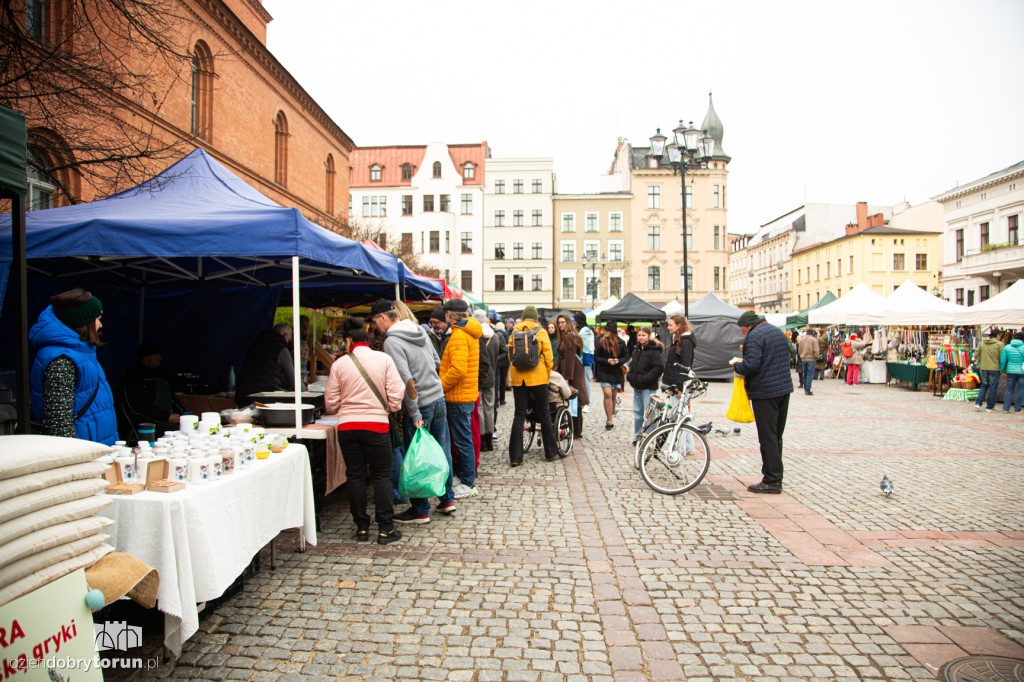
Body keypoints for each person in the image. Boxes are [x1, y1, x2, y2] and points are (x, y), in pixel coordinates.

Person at [370, 300, 456, 524]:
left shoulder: (392, 341)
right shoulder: (419, 330)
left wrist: (415, 413)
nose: (375, 327)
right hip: (438, 396)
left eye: (375, 322)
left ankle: (420, 509)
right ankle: (447, 499)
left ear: (383, 317)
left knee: (417, 456)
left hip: (421, 403)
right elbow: (436, 360)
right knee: (441, 450)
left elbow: (405, 379)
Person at [325, 316, 405, 545]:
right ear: (366, 339)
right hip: (377, 425)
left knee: (355, 475)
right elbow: (397, 393)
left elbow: (331, 403)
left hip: (348, 426)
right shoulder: (384, 359)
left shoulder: (339, 364)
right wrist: (388, 407)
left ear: (348, 341)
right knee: (382, 475)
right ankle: (385, 528)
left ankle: (361, 527)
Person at [29, 288, 117, 445]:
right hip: (82, 452)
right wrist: (76, 456)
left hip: (94, 447)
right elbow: (59, 424)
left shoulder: (81, 353)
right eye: (97, 319)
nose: (100, 324)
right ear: (83, 322)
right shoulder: (62, 360)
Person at [731, 311, 794, 494]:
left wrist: (737, 365)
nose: (742, 332)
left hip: (765, 392)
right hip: (783, 389)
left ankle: (771, 480)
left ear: (748, 325)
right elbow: (791, 353)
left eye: (742, 329)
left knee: (767, 437)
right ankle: (776, 476)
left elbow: (751, 365)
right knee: (776, 436)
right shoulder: (777, 331)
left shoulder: (754, 336)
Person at [439, 299, 482, 498]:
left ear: (449, 314)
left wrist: (439, 386)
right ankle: (466, 479)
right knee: (464, 440)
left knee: (463, 441)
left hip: (458, 396)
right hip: (465, 394)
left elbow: (457, 369)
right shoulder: (469, 332)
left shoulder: (459, 335)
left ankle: (467, 483)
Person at [507, 305, 558, 463]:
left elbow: (511, 356)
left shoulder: (514, 332)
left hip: (519, 379)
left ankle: (515, 457)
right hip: (538, 377)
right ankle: (550, 452)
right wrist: (546, 375)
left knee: (519, 415)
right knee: (544, 414)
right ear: (535, 318)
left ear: (523, 317)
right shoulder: (541, 332)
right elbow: (549, 358)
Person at [119, 342, 183, 438]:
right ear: (147, 358)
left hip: (166, 419)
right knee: (178, 431)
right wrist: (166, 417)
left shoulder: (160, 374)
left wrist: (182, 412)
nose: (160, 358)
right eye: (157, 355)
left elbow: (171, 399)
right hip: (148, 424)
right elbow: (139, 407)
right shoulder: (134, 379)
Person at [235, 323, 295, 407]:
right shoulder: (281, 348)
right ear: (285, 336)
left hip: (242, 395)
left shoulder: (255, 344)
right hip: (263, 397)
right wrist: (305, 388)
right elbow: (294, 381)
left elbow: (264, 371)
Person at [662, 314, 697, 454]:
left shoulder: (685, 341)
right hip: (675, 381)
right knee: (683, 416)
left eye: (670, 325)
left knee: (678, 417)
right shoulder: (678, 339)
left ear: (679, 326)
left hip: (679, 384)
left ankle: (679, 449)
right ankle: (688, 447)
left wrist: (680, 386)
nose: (668, 327)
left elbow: (686, 364)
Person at [626, 326, 664, 444]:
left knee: (649, 413)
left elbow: (658, 368)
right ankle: (638, 435)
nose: (641, 337)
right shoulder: (637, 349)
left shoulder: (654, 350)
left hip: (648, 386)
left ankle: (649, 437)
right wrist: (630, 376)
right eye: (639, 335)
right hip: (637, 386)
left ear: (649, 336)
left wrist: (645, 378)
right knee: (638, 412)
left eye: (643, 335)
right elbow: (632, 365)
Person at [553, 313, 588, 439]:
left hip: (572, 371)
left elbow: (570, 358)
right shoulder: (567, 335)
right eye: (559, 323)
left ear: (568, 322)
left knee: (574, 401)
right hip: (570, 370)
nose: (560, 325)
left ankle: (576, 431)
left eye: (562, 322)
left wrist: (567, 377)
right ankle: (576, 430)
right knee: (574, 401)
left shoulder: (569, 337)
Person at [473, 309, 501, 452]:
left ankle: (482, 439)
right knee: (489, 408)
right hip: (490, 376)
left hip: (477, 376)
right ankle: (490, 439)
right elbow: (497, 356)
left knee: (479, 408)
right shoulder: (495, 337)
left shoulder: (475, 336)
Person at [594, 320, 627, 430]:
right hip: (604, 371)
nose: (605, 331)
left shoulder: (621, 343)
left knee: (613, 395)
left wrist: (618, 361)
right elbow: (596, 357)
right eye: (605, 330)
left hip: (616, 371)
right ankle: (609, 420)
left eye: (607, 330)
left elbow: (626, 356)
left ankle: (610, 415)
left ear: (612, 331)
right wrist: (607, 361)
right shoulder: (601, 342)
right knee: (607, 393)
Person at [974, 329, 1005, 412]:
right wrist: (1003, 369)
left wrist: (982, 360)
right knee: (993, 387)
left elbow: (976, 354)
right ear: (998, 335)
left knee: (984, 385)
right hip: (995, 368)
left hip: (984, 367)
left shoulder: (982, 343)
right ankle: (990, 406)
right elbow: (1002, 358)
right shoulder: (999, 344)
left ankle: (978, 403)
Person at [999, 331, 1024, 413]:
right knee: (1021, 390)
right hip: (1022, 371)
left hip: (1010, 371)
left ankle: (1006, 408)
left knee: (1009, 389)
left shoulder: (1007, 347)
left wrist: (1002, 370)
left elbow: (1003, 360)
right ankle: (1017, 409)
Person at [575, 312, 595, 392]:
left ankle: (587, 399)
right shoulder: (587, 329)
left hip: (584, 358)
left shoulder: (585, 331)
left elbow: (585, 347)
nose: (574, 322)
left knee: (586, 381)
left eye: (575, 320)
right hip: (586, 357)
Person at [797, 329, 819, 395]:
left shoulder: (802, 340)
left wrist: (802, 356)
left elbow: (799, 350)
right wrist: (816, 357)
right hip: (811, 359)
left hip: (804, 359)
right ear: (812, 333)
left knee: (805, 374)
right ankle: (808, 389)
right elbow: (816, 350)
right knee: (810, 374)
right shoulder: (814, 340)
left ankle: (805, 387)